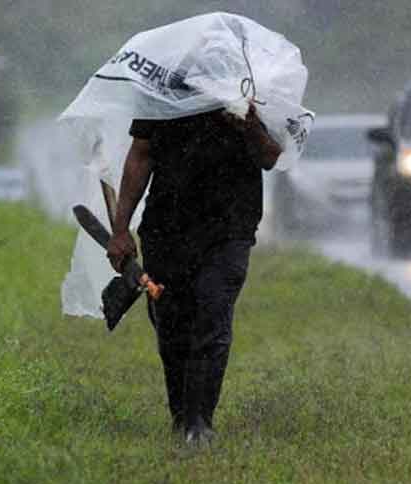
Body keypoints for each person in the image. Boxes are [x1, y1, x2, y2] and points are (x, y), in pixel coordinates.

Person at [106, 103, 281, 444]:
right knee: (171, 323)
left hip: (229, 229)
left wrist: (249, 125)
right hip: (165, 229)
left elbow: (271, 156)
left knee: (212, 315)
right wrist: (121, 228)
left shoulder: (253, 88)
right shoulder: (163, 88)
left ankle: (200, 422)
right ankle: (182, 416)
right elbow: (140, 155)